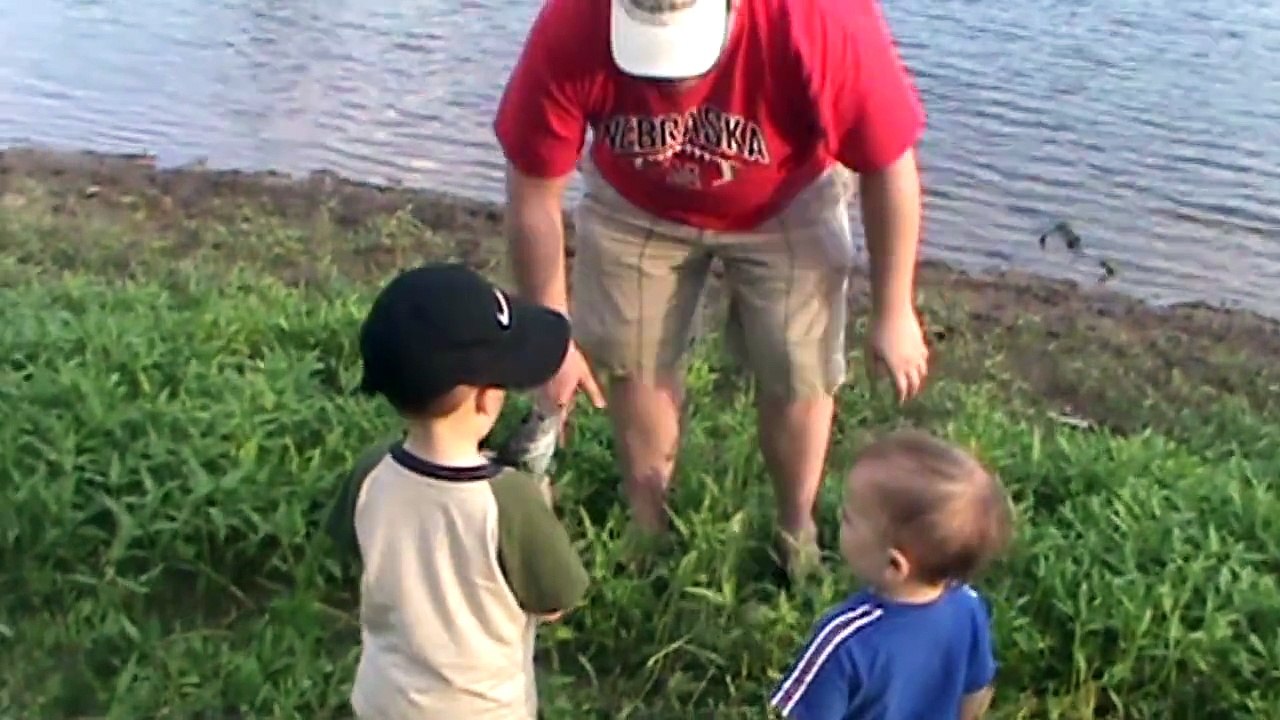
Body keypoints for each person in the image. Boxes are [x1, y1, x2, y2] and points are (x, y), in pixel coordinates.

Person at [494, 0, 930, 582]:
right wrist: (549, 334)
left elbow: (888, 163)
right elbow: (533, 190)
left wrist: (895, 310)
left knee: (797, 368)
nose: (672, 77)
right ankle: (648, 530)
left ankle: (795, 529)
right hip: (636, 201)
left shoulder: (820, 18)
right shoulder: (576, 19)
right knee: (636, 362)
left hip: (789, 196)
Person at [324, 263, 591, 719]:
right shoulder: (510, 500)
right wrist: (541, 513)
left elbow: (355, 550)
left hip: (385, 702)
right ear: (487, 398)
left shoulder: (370, 472)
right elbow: (553, 603)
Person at [768, 430, 1014, 720]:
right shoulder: (968, 607)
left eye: (849, 518)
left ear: (894, 565)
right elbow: (976, 692)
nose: (838, 520)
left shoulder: (845, 640)